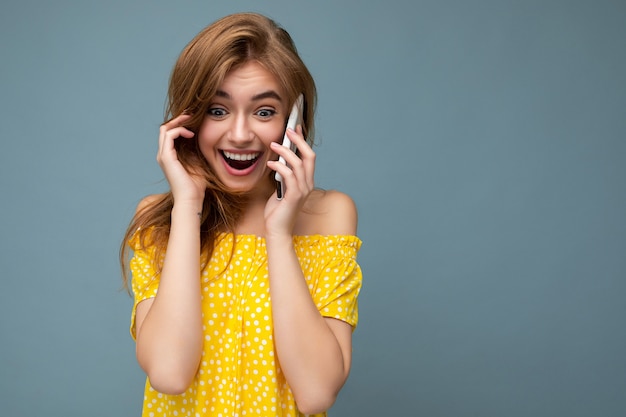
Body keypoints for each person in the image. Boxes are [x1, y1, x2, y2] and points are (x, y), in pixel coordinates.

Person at [120, 12, 363, 417]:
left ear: (293, 122)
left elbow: (316, 393)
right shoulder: (159, 220)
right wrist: (186, 209)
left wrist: (280, 233)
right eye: (217, 110)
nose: (239, 134)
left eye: (264, 112)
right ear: (189, 120)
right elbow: (169, 374)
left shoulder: (329, 215)